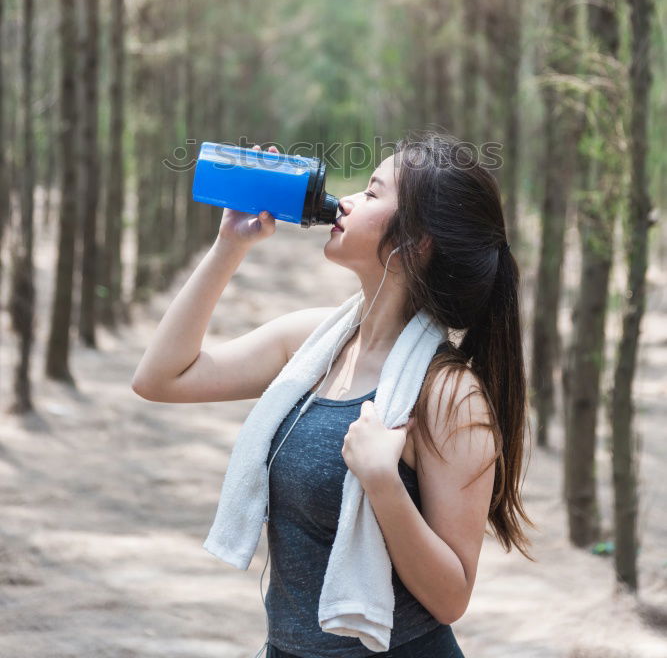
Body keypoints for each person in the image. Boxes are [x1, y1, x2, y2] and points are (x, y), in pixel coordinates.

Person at [132, 128, 536, 658]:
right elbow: (161, 379)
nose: (344, 201)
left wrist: (382, 483)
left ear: (417, 241)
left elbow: (451, 597)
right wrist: (229, 245)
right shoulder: (312, 344)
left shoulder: (448, 395)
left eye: (371, 193)